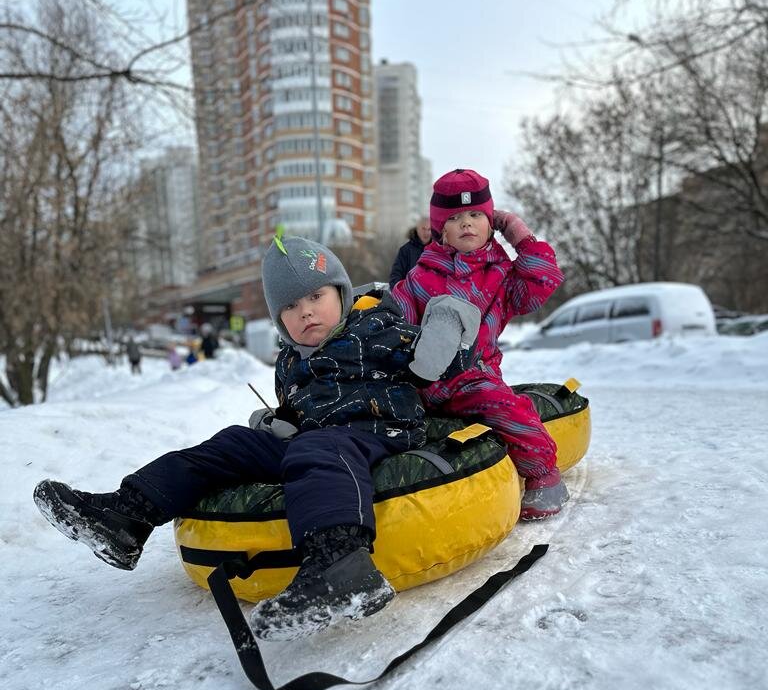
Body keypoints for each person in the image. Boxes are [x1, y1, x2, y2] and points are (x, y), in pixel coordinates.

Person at [32, 235, 479, 641]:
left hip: (378, 432)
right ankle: (126, 517)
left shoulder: (376, 329)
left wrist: (448, 322)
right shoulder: (289, 361)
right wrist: (275, 423)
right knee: (233, 442)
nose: (305, 312)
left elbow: (444, 363)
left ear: (341, 293)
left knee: (321, 446)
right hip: (314, 441)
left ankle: (341, 566)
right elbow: (296, 411)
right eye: (290, 307)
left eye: (316, 296)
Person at [391, 168, 568, 520]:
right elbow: (399, 322)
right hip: (420, 383)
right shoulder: (420, 276)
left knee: (511, 411)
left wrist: (518, 234)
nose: (466, 223)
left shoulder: (502, 275)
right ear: (440, 229)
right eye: (454, 218)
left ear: (491, 223)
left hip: (475, 379)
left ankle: (543, 476)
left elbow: (541, 281)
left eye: (476, 215)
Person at [388, 216, 432, 287]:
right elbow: (395, 276)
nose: (426, 232)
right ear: (417, 229)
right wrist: (401, 291)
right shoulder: (405, 250)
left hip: (433, 292)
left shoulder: (438, 250)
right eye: (423, 229)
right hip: (410, 291)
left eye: (429, 229)